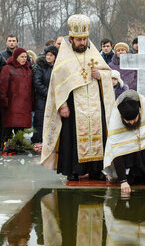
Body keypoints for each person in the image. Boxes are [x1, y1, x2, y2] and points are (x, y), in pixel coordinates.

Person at [40, 14, 116, 181]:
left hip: (95, 105)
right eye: (79, 40)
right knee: (72, 137)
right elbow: (57, 84)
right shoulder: (64, 58)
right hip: (73, 106)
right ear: (72, 38)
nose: (82, 43)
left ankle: (96, 170)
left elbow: (107, 73)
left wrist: (100, 75)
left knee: (97, 134)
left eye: (85, 39)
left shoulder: (94, 54)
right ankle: (73, 170)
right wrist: (62, 105)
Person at [0, 47, 33, 146]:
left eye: (25, 57)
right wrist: (3, 101)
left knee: (20, 130)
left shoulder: (28, 70)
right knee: (8, 129)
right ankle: (6, 146)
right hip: (11, 105)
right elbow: (2, 86)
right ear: (16, 57)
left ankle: (19, 146)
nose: (24, 59)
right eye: (22, 57)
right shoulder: (7, 69)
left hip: (24, 105)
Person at [31, 45, 57, 144]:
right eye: (47, 55)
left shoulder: (57, 67)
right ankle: (38, 142)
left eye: (51, 55)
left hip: (54, 98)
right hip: (42, 99)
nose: (49, 57)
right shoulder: (40, 66)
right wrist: (48, 93)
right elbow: (37, 82)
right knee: (40, 121)